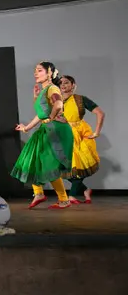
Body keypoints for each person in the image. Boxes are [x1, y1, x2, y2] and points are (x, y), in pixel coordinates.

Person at [11, 61, 73, 209]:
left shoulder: (52, 89)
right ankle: (40, 193)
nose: (35, 73)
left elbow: (58, 104)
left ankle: (62, 199)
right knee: (31, 157)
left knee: (48, 163)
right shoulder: (44, 91)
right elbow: (40, 115)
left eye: (39, 70)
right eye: (35, 71)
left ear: (49, 72)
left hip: (56, 130)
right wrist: (26, 127)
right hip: (48, 128)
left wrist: (51, 117)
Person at [58, 75, 105, 204]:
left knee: (77, 167)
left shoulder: (80, 99)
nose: (63, 85)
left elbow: (100, 113)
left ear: (73, 85)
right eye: (60, 83)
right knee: (61, 168)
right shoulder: (56, 101)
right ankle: (85, 190)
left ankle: (72, 196)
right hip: (63, 135)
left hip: (80, 136)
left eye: (66, 82)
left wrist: (96, 132)